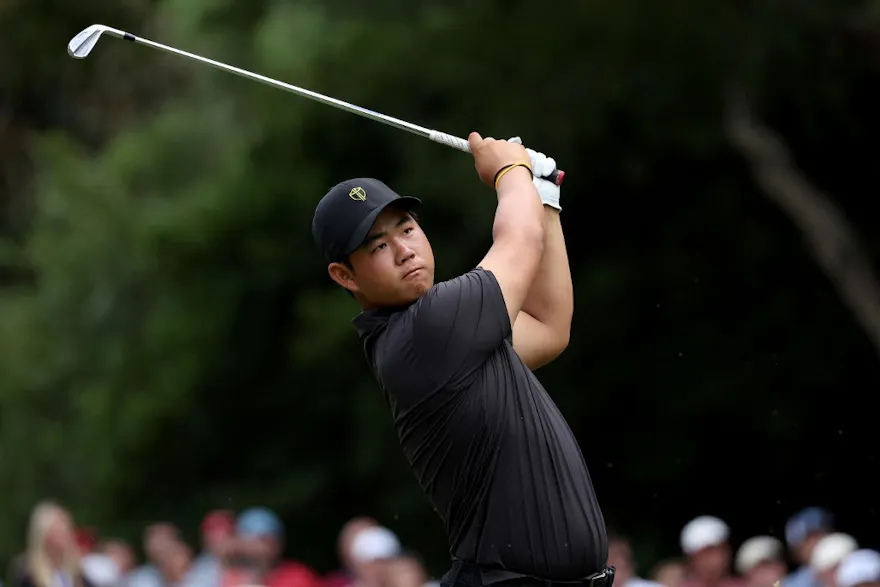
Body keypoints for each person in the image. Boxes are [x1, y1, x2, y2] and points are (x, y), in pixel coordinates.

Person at [311, 133, 610, 587]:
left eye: (407, 228)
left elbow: (548, 326)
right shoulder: (429, 327)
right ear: (344, 275)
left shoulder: (454, 331)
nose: (404, 250)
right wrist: (511, 173)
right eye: (377, 247)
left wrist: (543, 195)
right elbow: (519, 240)